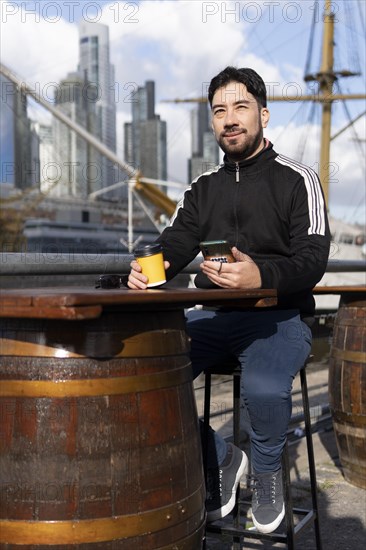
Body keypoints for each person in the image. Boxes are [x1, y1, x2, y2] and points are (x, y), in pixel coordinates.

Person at [128, 66, 330, 534]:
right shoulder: (202, 189)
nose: (229, 119)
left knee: (262, 386)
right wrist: (144, 272)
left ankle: (265, 474)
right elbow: (173, 246)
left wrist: (262, 275)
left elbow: (313, 258)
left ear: (262, 114)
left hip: (280, 318)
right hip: (214, 316)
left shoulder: (299, 179)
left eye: (240, 107)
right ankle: (222, 458)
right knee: (147, 372)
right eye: (219, 111)